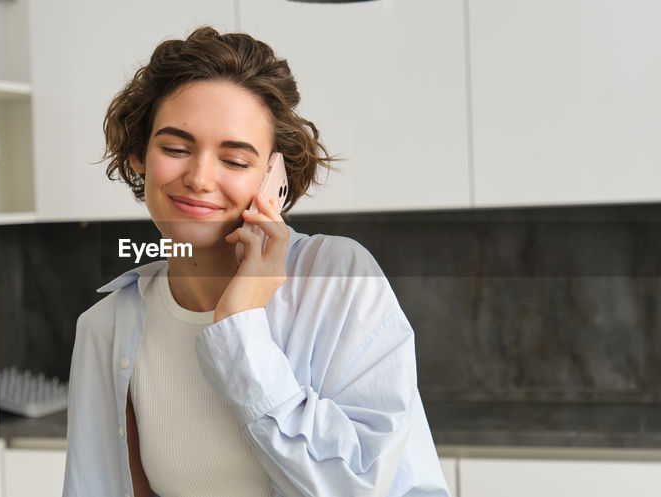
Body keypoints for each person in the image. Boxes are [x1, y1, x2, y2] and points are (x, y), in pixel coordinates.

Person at [62, 26, 449, 497]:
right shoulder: (106, 327)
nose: (200, 178)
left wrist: (241, 327)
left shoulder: (337, 278)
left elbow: (355, 486)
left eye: (236, 160)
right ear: (139, 155)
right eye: (176, 148)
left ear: (274, 176)